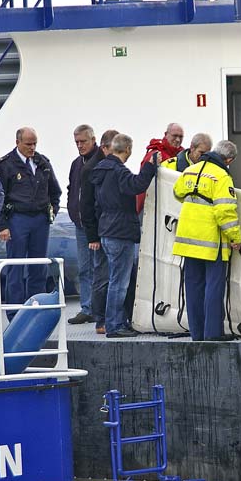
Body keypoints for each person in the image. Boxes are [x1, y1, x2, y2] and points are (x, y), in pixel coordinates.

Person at [172, 140, 241, 342]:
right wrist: (235, 238)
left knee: (193, 287)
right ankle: (212, 333)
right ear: (229, 160)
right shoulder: (222, 177)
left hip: (187, 239)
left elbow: (177, 192)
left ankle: (197, 333)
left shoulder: (191, 170)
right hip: (211, 241)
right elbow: (225, 212)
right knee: (214, 286)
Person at [91, 134, 157, 338]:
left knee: (113, 279)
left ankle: (115, 321)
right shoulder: (118, 171)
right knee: (119, 282)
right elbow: (136, 186)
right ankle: (114, 325)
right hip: (120, 231)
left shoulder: (100, 169)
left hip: (106, 228)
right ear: (127, 149)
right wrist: (150, 167)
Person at [0, 127, 61, 320]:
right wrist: (2, 225)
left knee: (38, 266)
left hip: (40, 219)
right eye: (28, 144)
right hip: (17, 219)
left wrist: (52, 212)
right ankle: (14, 312)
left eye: (34, 144)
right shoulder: (4, 165)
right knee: (16, 266)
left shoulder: (42, 162)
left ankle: (35, 306)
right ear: (18, 142)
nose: (32, 148)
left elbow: (55, 191)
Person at [77, 129, 120, 334]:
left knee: (109, 275)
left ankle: (109, 317)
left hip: (109, 227)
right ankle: (100, 319)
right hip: (100, 229)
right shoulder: (91, 169)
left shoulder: (111, 167)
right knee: (101, 275)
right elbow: (85, 205)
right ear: (104, 147)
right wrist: (92, 235)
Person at [66, 124, 99, 325]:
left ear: (93, 140)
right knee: (84, 268)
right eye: (77, 142)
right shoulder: (76, 164)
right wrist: (72, 210)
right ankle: (87, 307)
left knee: (100, 267)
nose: (79, 145)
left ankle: (100, 308)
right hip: (80, 225)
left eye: (83, 142)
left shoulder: (99, 162)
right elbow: (72, 188)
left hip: (97, 225)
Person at [136, 123, 184, 213]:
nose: (178, 140)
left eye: (181, 137)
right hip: (152, 206)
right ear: (166, 134)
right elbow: (143, 181)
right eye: (175, 136)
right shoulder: (155, 155)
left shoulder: (183, 157)